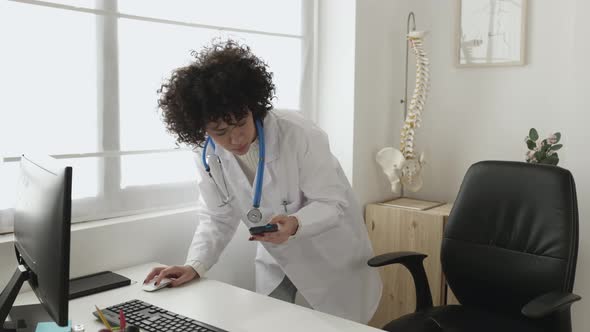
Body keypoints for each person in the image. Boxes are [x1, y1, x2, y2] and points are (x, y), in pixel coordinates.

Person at [144, 39, 382, 323]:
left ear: (252, 107)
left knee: (335, 328)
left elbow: (332, 203)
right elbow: (216, 217)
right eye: (220, 131)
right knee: (271, 323)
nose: (236, 139)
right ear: (202, 128)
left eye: (241, 123)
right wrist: (194, 264)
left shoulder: (298, 134)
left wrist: (296, 223)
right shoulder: (207, 154)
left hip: (330, 258)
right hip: (278, 260)